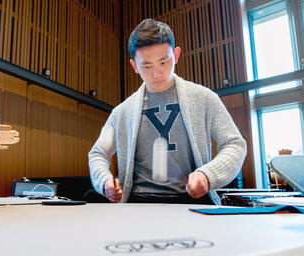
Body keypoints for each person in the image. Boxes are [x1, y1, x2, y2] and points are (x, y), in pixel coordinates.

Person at [88, 19, 246, 204]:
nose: (157, 73)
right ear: (134, 66)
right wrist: (105, 181)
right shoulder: (121, 112)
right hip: (138, 203)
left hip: (193, 200)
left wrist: (207, 175)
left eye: (164, 61)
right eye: (147, 66)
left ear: (176, 54)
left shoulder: (204, 98)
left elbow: (235, 144)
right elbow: (98, 153)